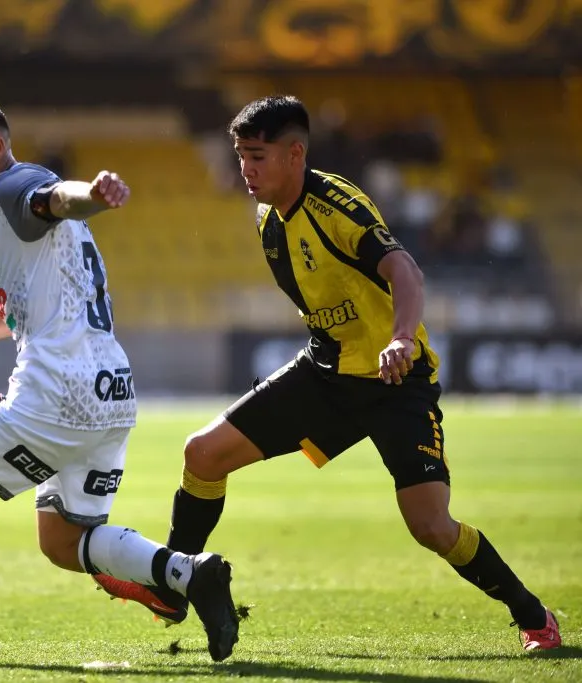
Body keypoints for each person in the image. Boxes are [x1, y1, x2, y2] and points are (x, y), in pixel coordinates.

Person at [93, 95, 561, 652]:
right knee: (202, 454)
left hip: (394, 383)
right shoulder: (268, 220)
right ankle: (172, 588)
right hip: (326, 374)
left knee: (432, 527)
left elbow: (405, 273)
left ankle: (535, 617)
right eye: (241, 156)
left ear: (296, 155)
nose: (246, 168)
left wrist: (401, 340)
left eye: (258, 156)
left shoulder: (337, 206)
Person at [0, 83, 241, 665]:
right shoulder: (12, 221)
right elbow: (11, 311)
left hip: (54, 393)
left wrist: (93, 193)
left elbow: (53, 197)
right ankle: (189, 573)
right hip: (111, 390)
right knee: (63, 541)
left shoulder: (12, 185)